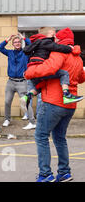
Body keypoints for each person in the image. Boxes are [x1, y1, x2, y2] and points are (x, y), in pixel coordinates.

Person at [24, 27, 85, 182]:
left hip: (53, 102)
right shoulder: (77, 57)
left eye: (56, 38)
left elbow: (49, 68)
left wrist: (28, 73)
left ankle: (45, 174)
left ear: (60, 39)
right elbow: (81, 78)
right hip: (69, 105)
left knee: (41, 136)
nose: (54, 40)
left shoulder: (58, 53)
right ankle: (64, 172)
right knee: (59, 137)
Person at [23, 27, 80, 106]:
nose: (55, 36)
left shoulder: (37, 42)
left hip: (32, 69)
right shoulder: (47, 42)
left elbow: (26, 50)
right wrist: (70, 48)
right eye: (54, 34)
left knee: (41, 85)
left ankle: (28, 95)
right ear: (51, 34)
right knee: (64, 73)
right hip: (39, 67)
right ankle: (66, 95)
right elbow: (58, 47)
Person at [0, 33, 35, 129]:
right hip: (10, 82)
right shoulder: (9, 53)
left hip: (22, 82)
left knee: (25, 102)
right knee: (7, 101)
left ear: (21, 43)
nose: (17, 43)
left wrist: (24, 38)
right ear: (13, 44)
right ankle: (7, 119)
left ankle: (32, 122)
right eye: (15, 42)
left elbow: (30, 45)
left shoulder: (26, 53)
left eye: (19, 42)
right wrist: (8, 39)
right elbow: (0, 48)